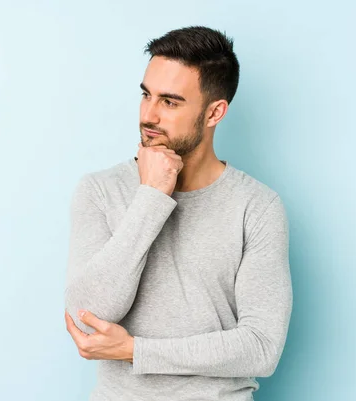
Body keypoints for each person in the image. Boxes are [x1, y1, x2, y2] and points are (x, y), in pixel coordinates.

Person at [64, 25, 293, 401]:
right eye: (146, 95)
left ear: (214, 112)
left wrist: (135, 350)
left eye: (170, 102)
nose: (149, 116)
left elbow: (261, 347)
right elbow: (87, 317)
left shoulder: (257, 207)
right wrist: (151, 197)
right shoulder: (100, 191)